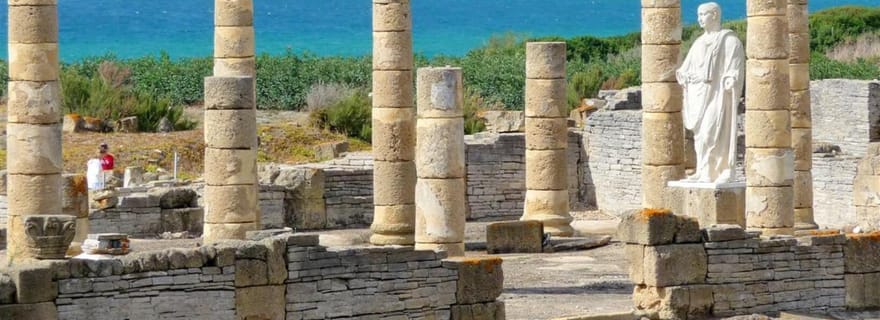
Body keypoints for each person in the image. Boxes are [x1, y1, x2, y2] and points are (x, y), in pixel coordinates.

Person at [676, 2, 745, 184]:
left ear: (714, 15)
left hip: (718, 95)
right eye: (698, 15)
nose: (699, 19)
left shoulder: (729, 41)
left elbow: (735, 67)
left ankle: (722, 170)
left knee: (711, 132)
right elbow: (685, 67)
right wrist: (683, 75)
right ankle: (703, 170)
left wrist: (731, 78)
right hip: (699, 95)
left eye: (703, 14)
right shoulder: (698, 43)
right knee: (700, 137)